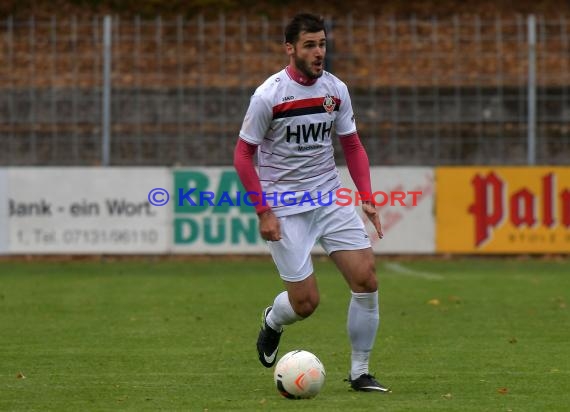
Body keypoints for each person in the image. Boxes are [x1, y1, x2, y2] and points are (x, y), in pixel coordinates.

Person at [233, 13, 390, 393]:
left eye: (322, 44)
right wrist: (263, 211)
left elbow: (351, 144)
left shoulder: (336, 90)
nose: (319, 52)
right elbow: (242, 155)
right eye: (310, 45)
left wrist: (366, 197)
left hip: (329, 197)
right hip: (285, 208)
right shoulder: (268, 95)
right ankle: (274, 320)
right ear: (290, 49)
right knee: (305, 304)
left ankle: (360, 372)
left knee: (366, 280)